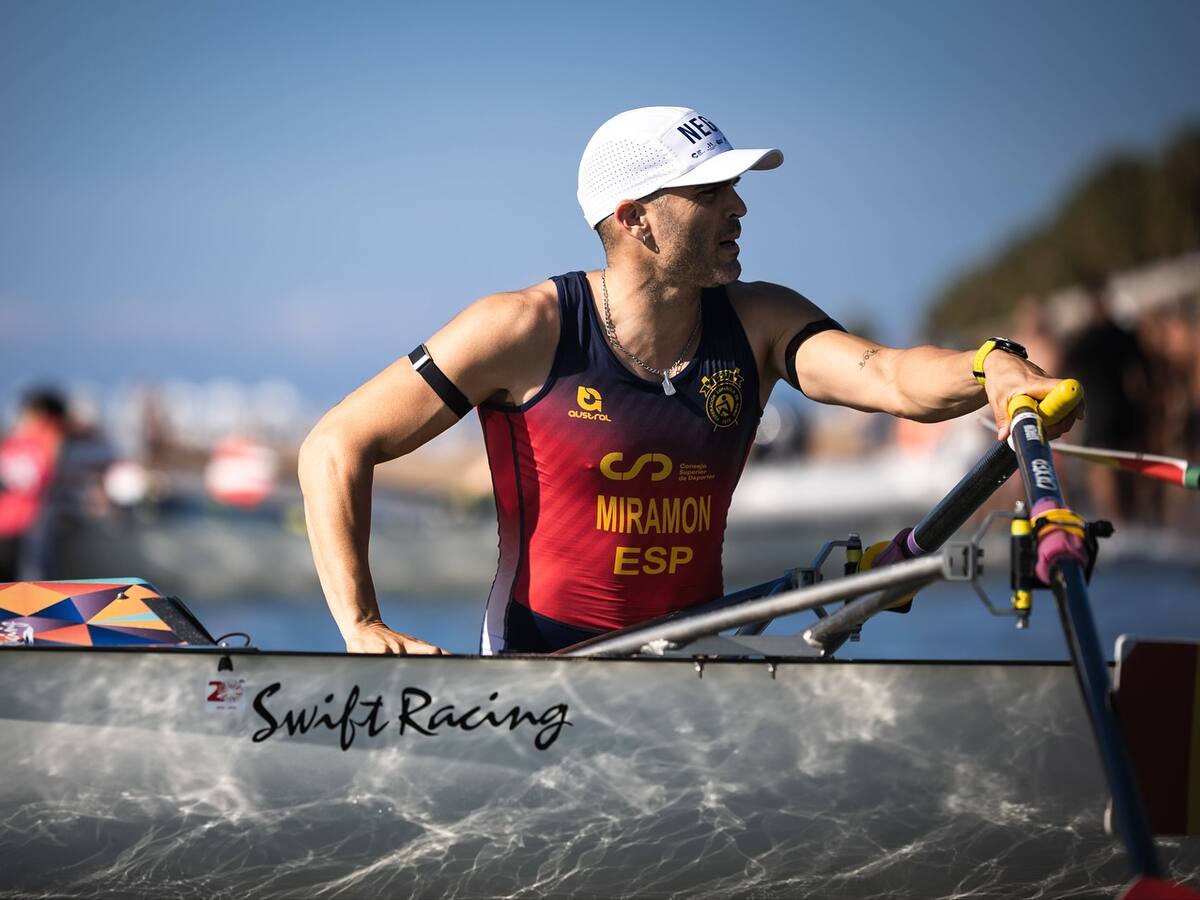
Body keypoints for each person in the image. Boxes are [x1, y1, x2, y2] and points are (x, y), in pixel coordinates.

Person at [299, 106, 1077, 655]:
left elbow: (892, 377)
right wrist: (361, 624)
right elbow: (335, 446)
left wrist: (993, 365)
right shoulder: (524, 329)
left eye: (733, 188)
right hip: (543, 673)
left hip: (707, 659)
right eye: (709, 192)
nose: (737, 207)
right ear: (635, 218)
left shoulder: (761, 320)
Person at [0, 387, 69, 582]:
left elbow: (40, 477)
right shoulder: (16, 439)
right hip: (10, 522)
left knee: (31, 575)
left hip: (30, 520)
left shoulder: (48, 436)